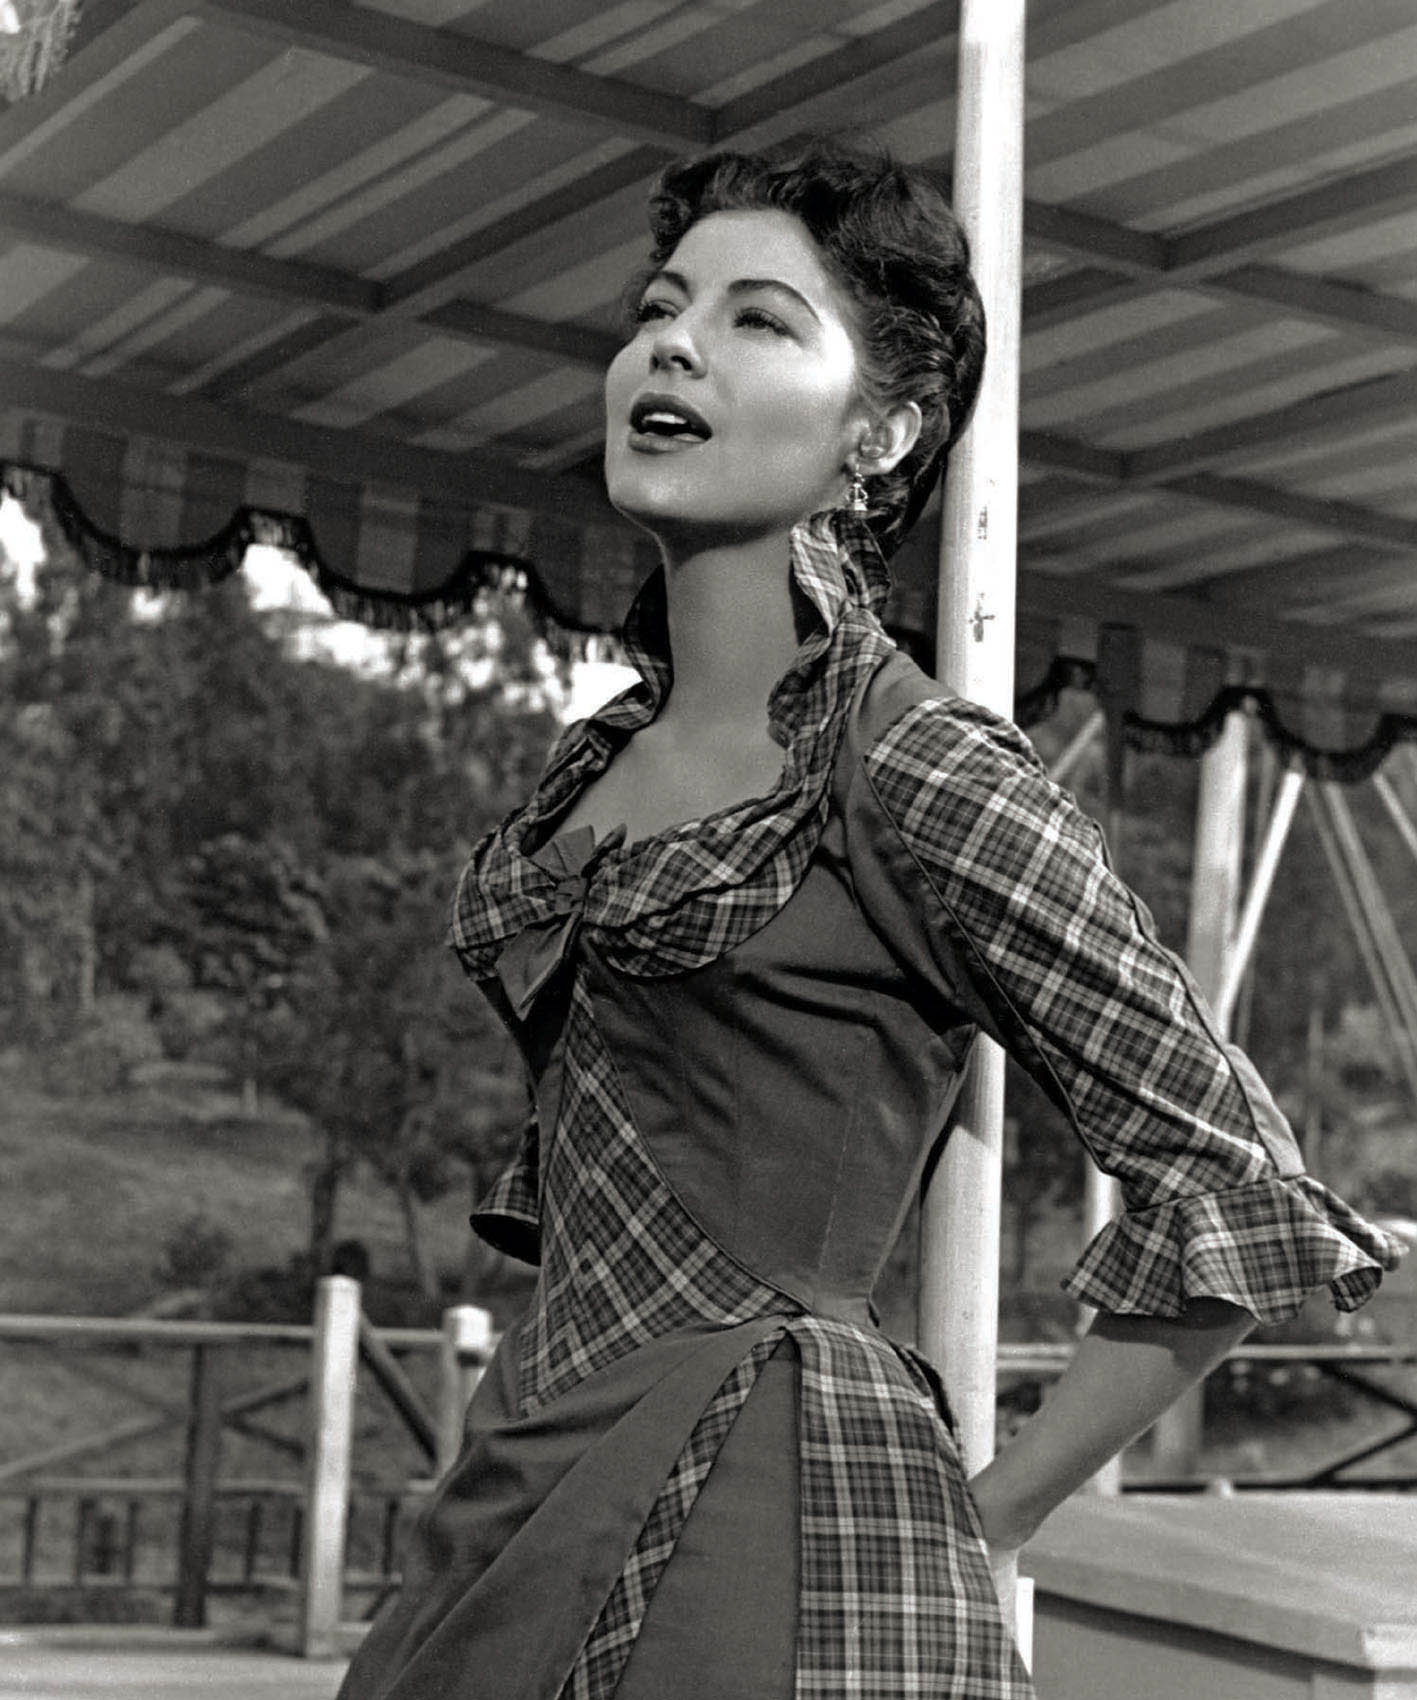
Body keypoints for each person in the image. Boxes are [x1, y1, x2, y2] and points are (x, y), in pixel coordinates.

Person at [336, 143, 1403, 1700]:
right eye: (657, 306)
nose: (673, 344)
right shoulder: (591, 770)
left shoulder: (909, 759)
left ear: (880, 432)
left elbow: (1232, 1179)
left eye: (760, 320)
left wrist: (987, 1521)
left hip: (770, 1505)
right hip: (520, 1465)